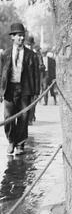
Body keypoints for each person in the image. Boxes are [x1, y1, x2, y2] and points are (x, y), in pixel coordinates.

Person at [0, 23, 40, 155]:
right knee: (8, 118)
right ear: (12, 37)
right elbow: (1, 74)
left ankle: (20, 144)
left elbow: (36, 75)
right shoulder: (5, 54)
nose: (21, 38)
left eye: (23, 36)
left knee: (23, 118)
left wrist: (36, 93)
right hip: (9, 90)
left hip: (25, 91)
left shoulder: (31, 55)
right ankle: (11, 141)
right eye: (18, 36)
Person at [25, 36, 43, 124]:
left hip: (32, 84)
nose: (29, 46)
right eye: (28, 44)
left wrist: (37, 90)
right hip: (23, 85)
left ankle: (30, 118)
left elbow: (38, 72)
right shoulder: (21, 54)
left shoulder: (35, 55)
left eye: (30, 45)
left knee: (32, 103)